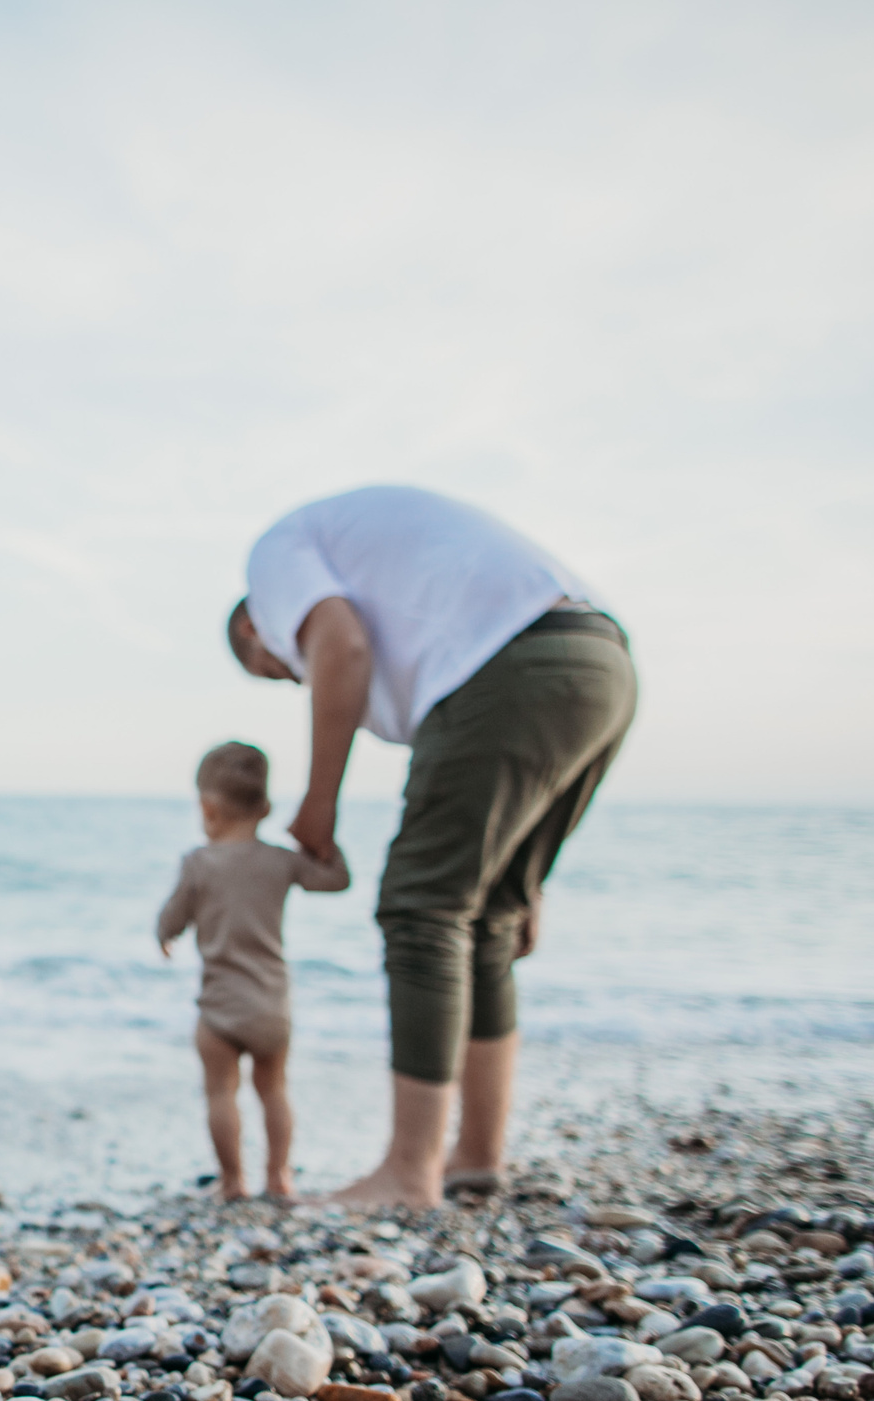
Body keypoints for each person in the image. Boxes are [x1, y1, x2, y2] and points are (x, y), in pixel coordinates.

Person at [227, 485, 635, 1208]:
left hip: (508, 660)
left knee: (421, 909)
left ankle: (408, 1173)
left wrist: (318, 806)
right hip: (599, 661)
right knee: (489, 918)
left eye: (276, 668)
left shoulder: (272, 560)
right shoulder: (361, 553)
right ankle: (475, 1156)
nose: (294, 677)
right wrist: (524, 876)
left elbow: (342, 647)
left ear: (256, 628)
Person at [156, 742, 350, 1201]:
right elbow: (336, 880)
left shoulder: (199, 863)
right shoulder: (281, 860)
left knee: (220, 1094)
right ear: (264, 808)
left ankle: (232, 1181)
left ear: (207, 807)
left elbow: (172, 918)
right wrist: (322, 842)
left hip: (219, 1007)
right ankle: (279, 1177)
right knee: (274, 1091)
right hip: (270, 1005)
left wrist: (164, 935)